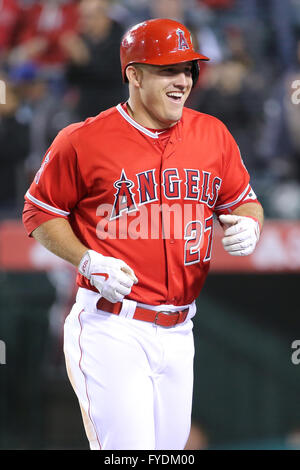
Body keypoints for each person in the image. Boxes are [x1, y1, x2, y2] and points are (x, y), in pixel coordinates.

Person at [22, 18, 264, 450]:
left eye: (188, 69)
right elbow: (39, 212)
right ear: (133, 74)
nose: (183, 81)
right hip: (112, 325)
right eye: (168, 70)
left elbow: (243, 200)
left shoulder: (213, 134)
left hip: (181, 330)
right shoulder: (82, 140)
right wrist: (87, 260)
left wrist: (250, 221)